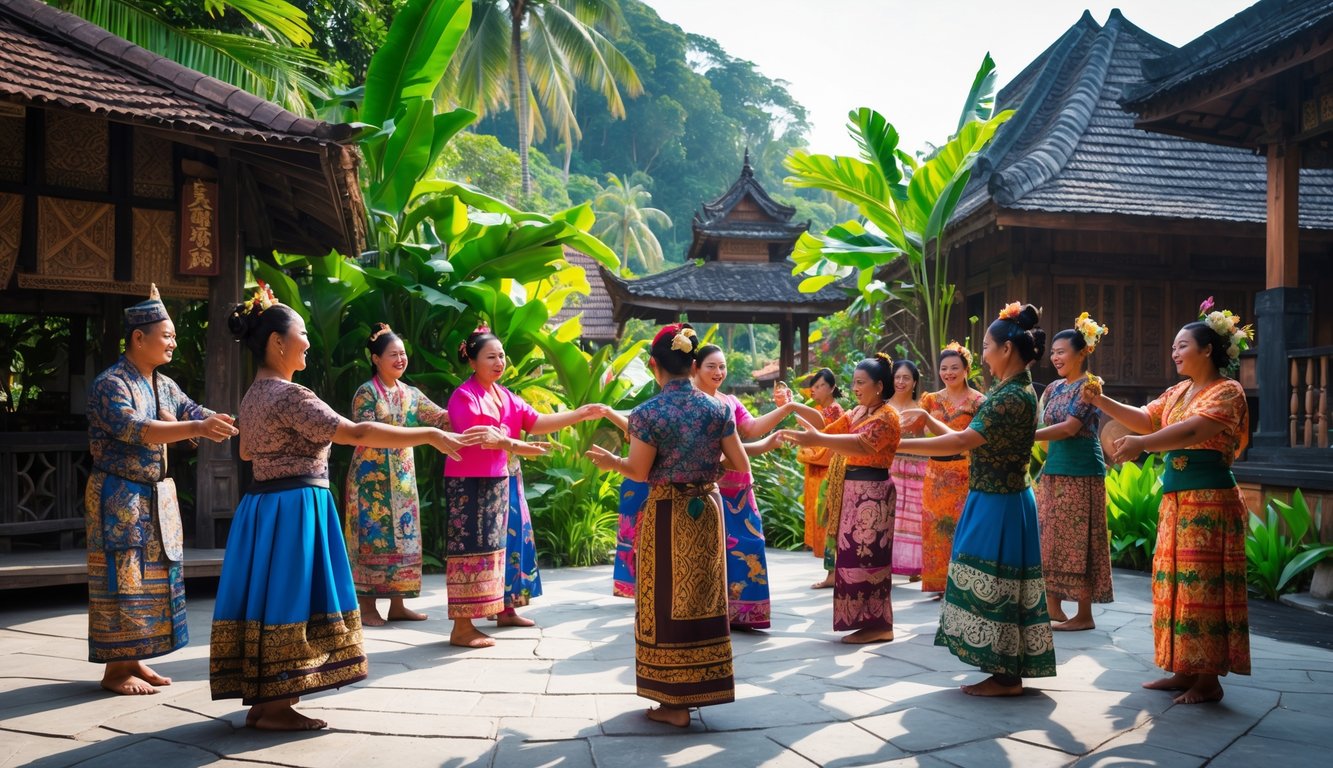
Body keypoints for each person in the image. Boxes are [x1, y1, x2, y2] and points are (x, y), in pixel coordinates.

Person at [210, 286, 486, 730]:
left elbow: (246, 454)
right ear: (278, 343)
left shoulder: (253, 395)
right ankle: (277, 708)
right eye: (301, 333)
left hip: (263, 507)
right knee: (293, 598)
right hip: (296, 506)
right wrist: (430, 436)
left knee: (269, 598)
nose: (307, 341)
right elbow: (356, 433)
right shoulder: (290, 395)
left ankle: (266, 702)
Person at [1087, 297, 1252, 704]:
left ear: (1208, 349)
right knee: (1173, 585)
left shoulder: (1227, 391)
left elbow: (1192, 432)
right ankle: (1183, 669)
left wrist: (1144, 444)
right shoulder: (1179, 391)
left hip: (1210, 503)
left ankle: (1208, 679)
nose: (1174, 352)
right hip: (1177, 502)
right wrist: (1099, 400)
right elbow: (1145, 416)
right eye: (1174, 346)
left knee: (1202, 587)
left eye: (1182, 345)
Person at [586, 323, 749, 728]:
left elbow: (639, 472)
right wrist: (706, 464)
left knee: (663, 598)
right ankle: (701, 687)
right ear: (694, 366)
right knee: (702, 596)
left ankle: (673, 704)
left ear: (653, 365)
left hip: (668, 512)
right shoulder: (718, 409)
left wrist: (612, 462)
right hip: (707, 508)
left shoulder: (647, 414)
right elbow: (740, 465)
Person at [85, 284, 237, 695]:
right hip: (119, 495)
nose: (173, 342)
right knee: (124, 578)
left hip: (152, 495)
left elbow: (192, 410)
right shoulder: (110, 383)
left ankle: (133, 660)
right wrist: (196, 428)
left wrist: (221, 420)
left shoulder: (163, 383)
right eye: (166, 335)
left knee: (150, 577)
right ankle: (115, 670)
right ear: (139, 338)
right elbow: (135, 428)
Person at [898, 303, 1055, 697]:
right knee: (992, 578)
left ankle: (1005, 677)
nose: (982, 354)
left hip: (1000, 501)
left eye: (986, 346)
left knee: (994, 580)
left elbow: (963, 439)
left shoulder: (1009, 397)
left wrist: (895, 447)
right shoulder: (1011, 390)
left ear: (1006, 350)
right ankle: (1003, 671)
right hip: (997, 496)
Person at [446, 326, 605, 647]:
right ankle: (462, 628)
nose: (499, 361)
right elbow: (478, 436)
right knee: (470, 552)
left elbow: (535, 422)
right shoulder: (464, 396)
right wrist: (519, 446)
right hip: (469, 485)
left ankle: (505, 608)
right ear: (473, 362)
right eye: (490, 356)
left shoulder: (504, 395)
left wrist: (579, 415)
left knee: (501, 548)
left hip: (499, 481)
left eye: (501, 356)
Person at [779, 353, 900, 644]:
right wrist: (796, 417)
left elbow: (861, 444)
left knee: (869, 558)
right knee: (850, 558)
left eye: (861, 383)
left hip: (874, 493)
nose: (855, 388)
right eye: (854, 382)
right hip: (852, 491)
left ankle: (879, 625)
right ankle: (863, 622)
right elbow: (828, 431)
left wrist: (817, 440)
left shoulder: (888, 416)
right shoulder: (858, 412)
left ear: (879, 386)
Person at [344, 323, 452, 626]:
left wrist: (471, 408)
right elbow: (364, 433)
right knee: (372, 539)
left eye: (403, 354)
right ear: (376, 359)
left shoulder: (411, 394)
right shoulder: (366, 393)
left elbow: (443, 418)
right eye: (393, 354)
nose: (400, 359)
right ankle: (366, 607)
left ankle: (398, 604)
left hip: (403, 481)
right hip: (370, 482)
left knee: (403, 538)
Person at [693, 344, 790, 630]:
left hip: (741, 489)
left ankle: (745, 612)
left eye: (722, 366)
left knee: (751, 544)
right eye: (711, 366)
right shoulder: (692, 405)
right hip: (711, 490)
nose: (718, 372)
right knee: (717, 549)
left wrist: (787, 408)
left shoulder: (730, 401)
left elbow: (751, 429)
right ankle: (716, 610)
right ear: (694, 368)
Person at [1033, 314, 1114, 631]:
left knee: (1080, 540)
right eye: (1053, 352)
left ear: (1082, 352)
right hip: (1054, 468)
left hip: (1082, 471)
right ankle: (1053, 606)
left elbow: (1069, 428)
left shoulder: (1091, 386)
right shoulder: (1052, 387)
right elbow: (1044, 424)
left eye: (1061, 351)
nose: (1055, 357)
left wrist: (1027, 437)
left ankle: (1084, 614)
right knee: (1049, 537)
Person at [916, 343, 985, 595]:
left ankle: (961, 582)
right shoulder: (930, 400)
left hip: (965, 471)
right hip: (935, 471)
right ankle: (940, 582)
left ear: (966, 369)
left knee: (962, 526)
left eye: (955, 367)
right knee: (935, 526)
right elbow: (921, 431)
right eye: (944, 368)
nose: (949, 373)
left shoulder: (979, 401)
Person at [794, 368, 845, 589]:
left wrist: (807, 452)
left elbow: (828, 444)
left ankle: (833, 574)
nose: (814, 390)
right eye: (813, 387)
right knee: (825, 523)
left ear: (832, 388)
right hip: (817, 472)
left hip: (829, 472)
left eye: (819, 386)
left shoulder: (834, 411)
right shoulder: (819, 410)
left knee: (830, 523)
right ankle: (833, 573)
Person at [887, 360, 926, 581]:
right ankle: (886, 563)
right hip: (889, 466)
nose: (901, 382)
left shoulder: (923, 409)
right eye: (897, 377)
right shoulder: (882, 406)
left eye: (906, 378)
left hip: (916, 468)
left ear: (914, 382)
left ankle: (915, 566)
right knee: (890, 515)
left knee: (912, 518)